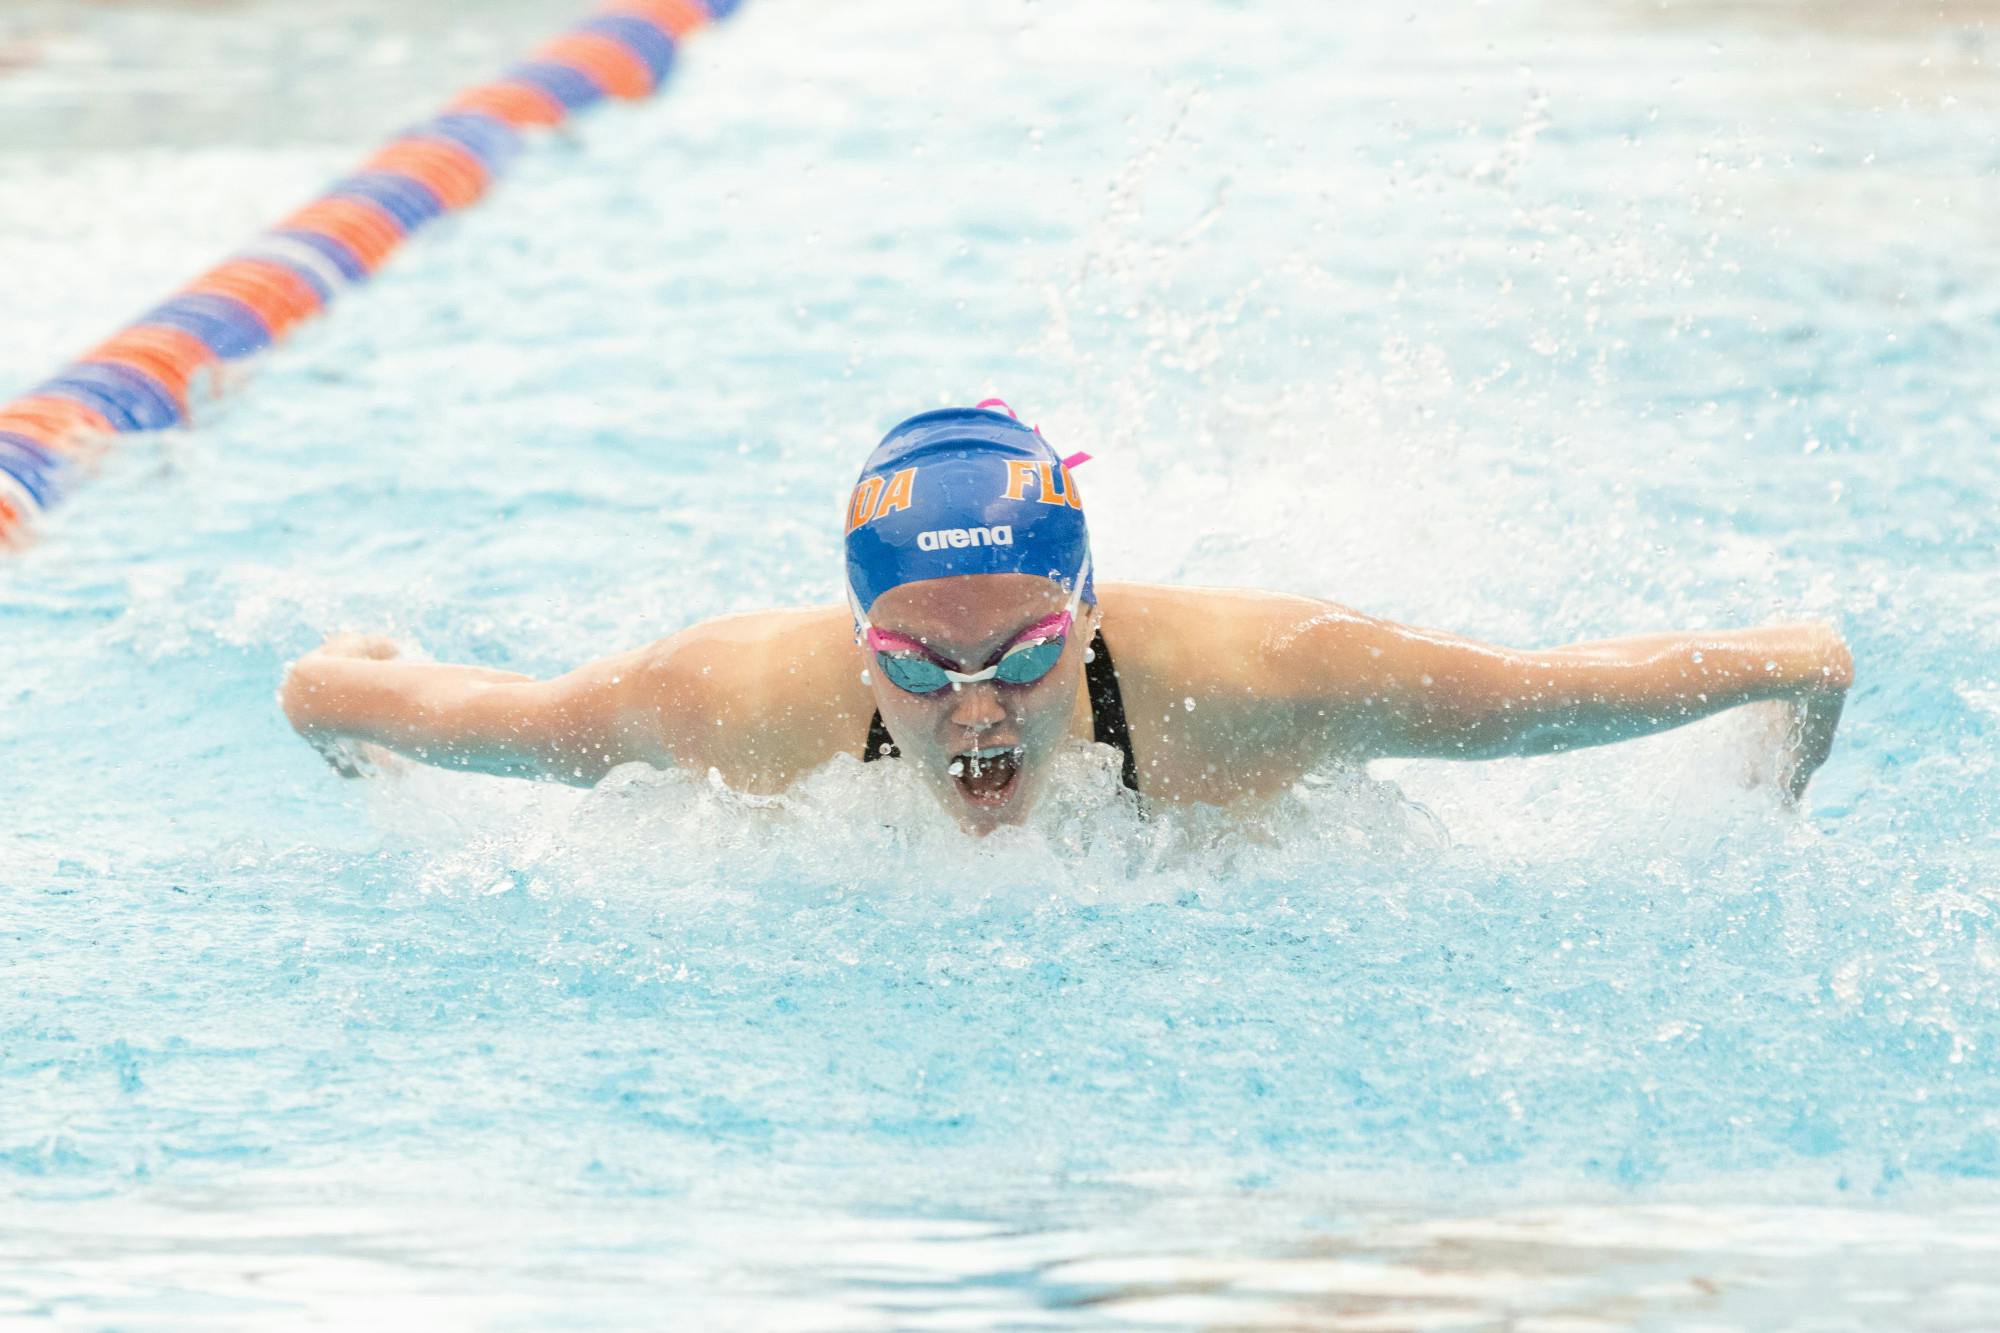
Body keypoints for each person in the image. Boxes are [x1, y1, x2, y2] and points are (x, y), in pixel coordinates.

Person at [281, 402, 1853, 834]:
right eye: (922, 663)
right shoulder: (738, 700)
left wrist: (1791, 711)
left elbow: (1536, 696)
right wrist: (356, 690)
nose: (977, 705)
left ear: (1087, 617)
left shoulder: (1259, 681)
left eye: (1028, 653)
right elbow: (388, 706)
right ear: (859, 641)